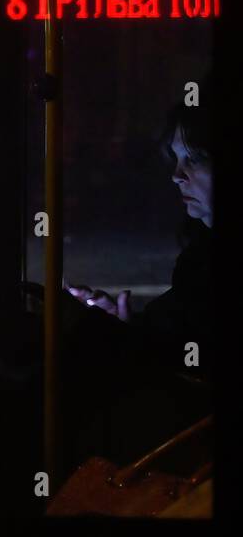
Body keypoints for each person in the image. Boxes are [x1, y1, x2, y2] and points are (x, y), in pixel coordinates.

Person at [66, 86, 214, 365]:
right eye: (176, 158)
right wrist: (126, 324)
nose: (177, 176)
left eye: (194, 159)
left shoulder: (200, 267)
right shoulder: (197, 261)